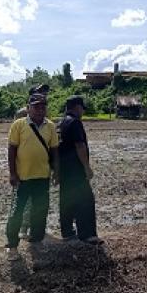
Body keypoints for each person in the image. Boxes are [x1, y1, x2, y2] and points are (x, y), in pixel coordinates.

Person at [6, 93, 59, 260]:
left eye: (43, 106)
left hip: (42, 178)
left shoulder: (50, 126)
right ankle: (12, 246)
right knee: (17, 212)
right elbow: (12, 150)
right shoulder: (18, 125)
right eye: (35, 106)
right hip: (22, 178)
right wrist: (13, 173)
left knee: (40, 212)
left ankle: (37, 242)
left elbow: (54, 151)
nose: (39, 109)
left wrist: (56, 171)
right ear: (28, 108)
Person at [58, 96, 102, 244]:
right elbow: (80, 146)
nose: (82, 111)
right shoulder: (75, 122)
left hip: (64, 170)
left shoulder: (60, 123)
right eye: (82, 108)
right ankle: (87, 234)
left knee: (66, 200)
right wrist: (86, 167)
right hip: (76, 170)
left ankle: (67, 232)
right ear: (77, 107)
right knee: (85, 201)